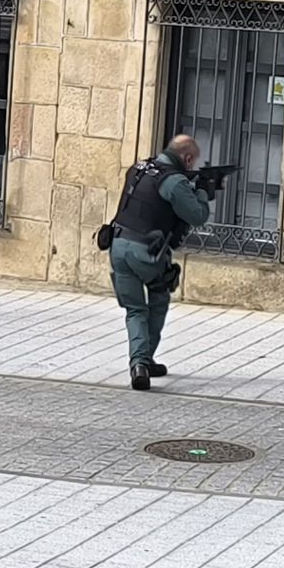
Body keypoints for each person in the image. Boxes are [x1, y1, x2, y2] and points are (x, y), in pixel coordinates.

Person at [107, 134, 212, 391]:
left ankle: (140, 364)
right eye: (192, 162)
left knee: (134, 310)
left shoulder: (140, 168)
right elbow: (197, 215)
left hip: (118, 246)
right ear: (187, 158)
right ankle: (144, 359)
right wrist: (201, 191)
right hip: (146, 253)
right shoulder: (174, 181)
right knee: (158, 297)